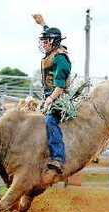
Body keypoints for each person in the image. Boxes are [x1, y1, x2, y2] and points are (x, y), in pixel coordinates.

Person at [33, 14, 71, 174]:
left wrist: (49, 100)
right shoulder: (53, 51)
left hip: (59, 99)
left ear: (54, 42)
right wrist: (43, 24)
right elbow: (50, 32)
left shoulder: (60, 59)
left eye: (46, 41)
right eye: (43, 40)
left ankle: (58, 158)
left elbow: (60, 86)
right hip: (49, 96)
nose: (43, 43)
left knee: (49, 121)